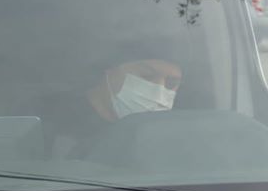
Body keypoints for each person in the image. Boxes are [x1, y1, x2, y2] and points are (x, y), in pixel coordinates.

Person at [40, 56, 183, 157]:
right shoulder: (48, 119)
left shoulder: (177, 135)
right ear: (109, 71)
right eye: (146, 76)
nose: (159, 89)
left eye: (171, 83)